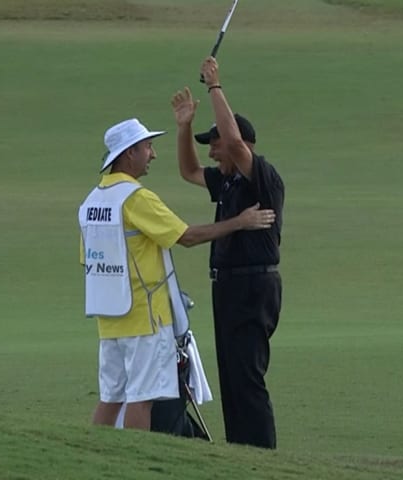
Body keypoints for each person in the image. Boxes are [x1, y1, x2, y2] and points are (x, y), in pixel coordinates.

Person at [79, 117, 276, 431]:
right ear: (129, 153)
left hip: (109, 315)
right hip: (145, 314)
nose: (153, 154)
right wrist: (240, 222)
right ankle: (137, 463)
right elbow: (187, 236)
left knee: (111, 396)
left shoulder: (92, 201)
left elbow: (89, 261)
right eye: (147, 147)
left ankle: (93, 459)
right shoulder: (135, 198)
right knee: (141, 398)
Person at [170, 57, 285, 449]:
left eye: (214, 142)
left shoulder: (262, 178)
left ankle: (261, 456)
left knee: (248, 375)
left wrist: (215, 87)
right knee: (231, 374)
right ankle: (240, 450)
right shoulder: (228, 182)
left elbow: (234, 143)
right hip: (229, 287)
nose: (214, 151)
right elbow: (188, 171)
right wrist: (184, 128)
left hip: (254, 286)